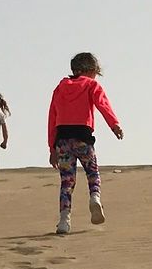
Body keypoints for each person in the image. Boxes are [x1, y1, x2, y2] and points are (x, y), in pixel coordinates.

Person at [46, 52, 123, 234]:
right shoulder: (91, 85)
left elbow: (52, 117)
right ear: (89, 70)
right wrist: (115, 125)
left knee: (67, 182)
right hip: (83, 138)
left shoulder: (59, 88)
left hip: (63, 140)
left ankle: (64, 221)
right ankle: (94, 198)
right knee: (92, 172)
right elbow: (103, 104)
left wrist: (51, 147)